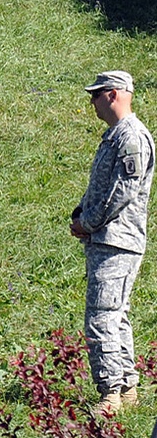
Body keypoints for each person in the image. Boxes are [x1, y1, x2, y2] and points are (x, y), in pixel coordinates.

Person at [70, 70, 154, 414]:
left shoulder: (131, 137)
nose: (92, 102)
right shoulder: (115, 136)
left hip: (116, 240)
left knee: (102, 317)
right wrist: (80, 212)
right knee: (117, 315)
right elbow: (100, 187)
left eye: (96, 94)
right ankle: (128, 387)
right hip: (110, 238)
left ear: (114, 94)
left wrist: (88, 222)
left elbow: (121, 193)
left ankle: (110, 395)